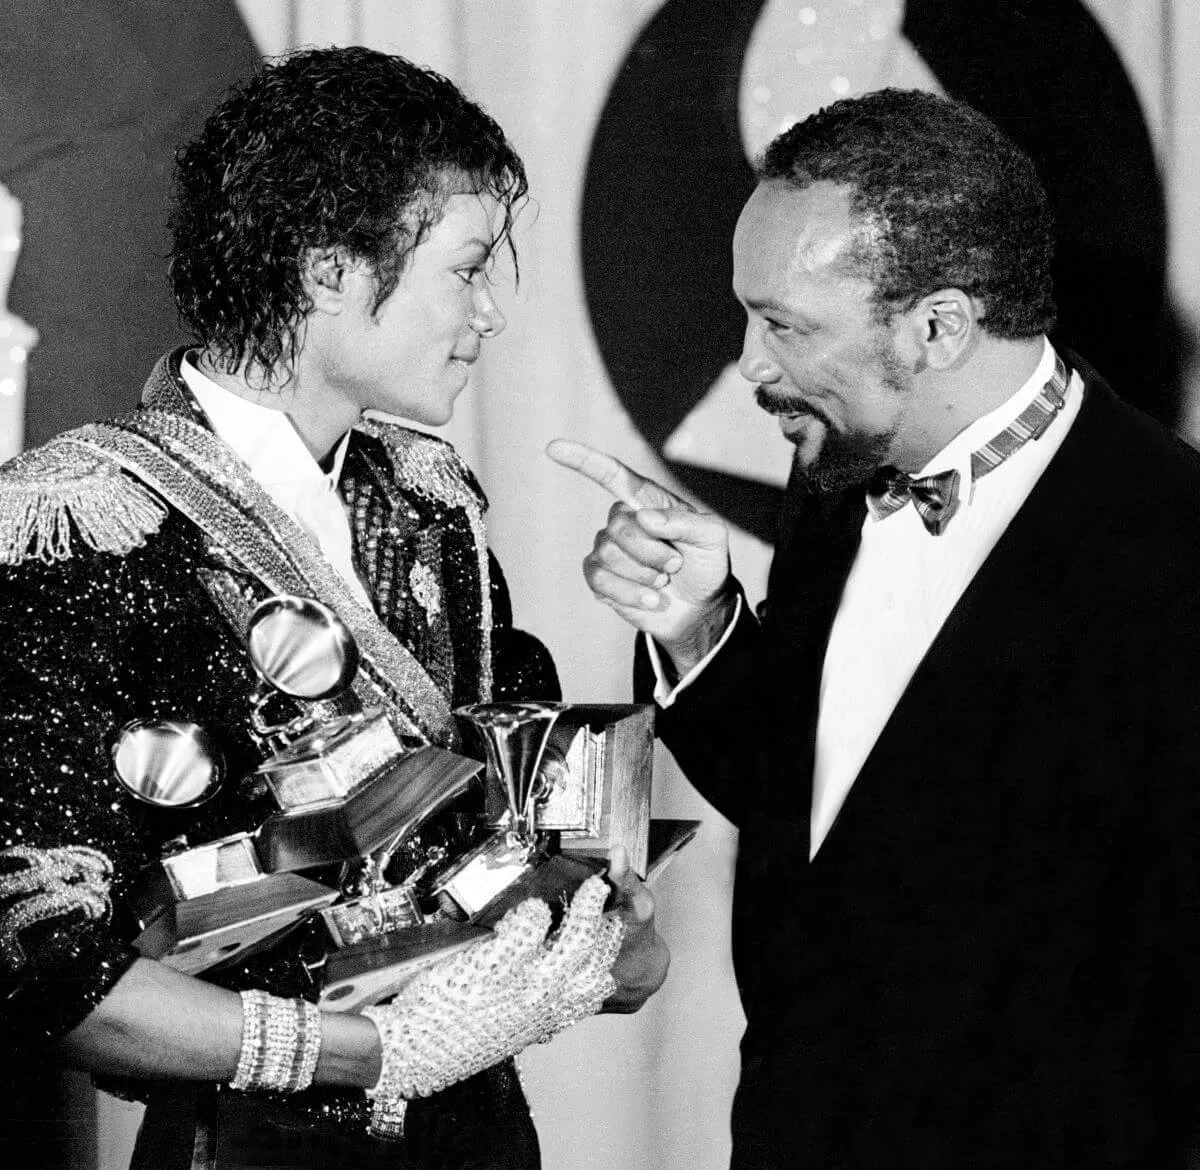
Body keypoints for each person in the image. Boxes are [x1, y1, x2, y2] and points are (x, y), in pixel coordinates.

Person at [0, 46, 668, 1169]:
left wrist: (600, 940)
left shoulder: (427, 501)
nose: (492, 314)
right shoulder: (81, 525)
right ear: (326, 273)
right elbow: (44, 969)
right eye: (466, 269)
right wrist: (364, 1052)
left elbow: (510, 864)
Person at [551, 88, 1200, 1167]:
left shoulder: (1172, 554)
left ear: (940, 325)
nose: (750, 364)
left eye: (787, 326)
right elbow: (821, 810)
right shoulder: (845, 474)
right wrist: (700, 622)